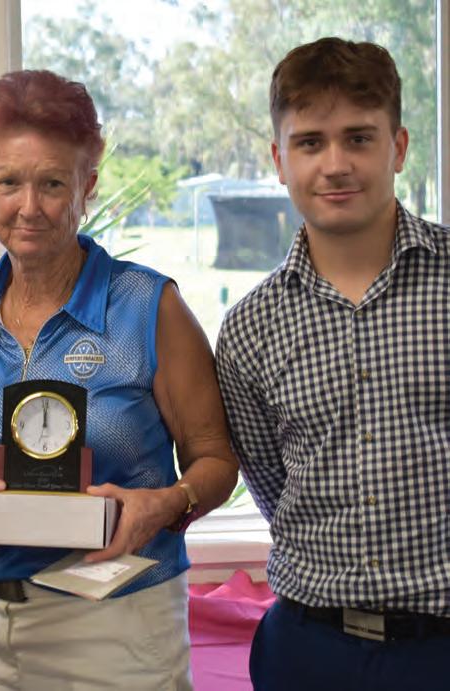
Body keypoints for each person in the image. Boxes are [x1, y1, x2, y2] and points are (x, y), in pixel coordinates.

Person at [0, 69, 238, 690]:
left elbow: (216, 461)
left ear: (87, 185)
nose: (28, 207)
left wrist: (167, 505)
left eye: (52, 183)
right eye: (9, 182)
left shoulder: (149, 306)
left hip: (118, 626)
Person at [216, 37, 450, 691]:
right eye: (311, 142)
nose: (335, 164)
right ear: (279, 159)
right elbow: (270, 481)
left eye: (358, 138)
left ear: (398, 147)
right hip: (307, 649)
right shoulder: (249, 329)